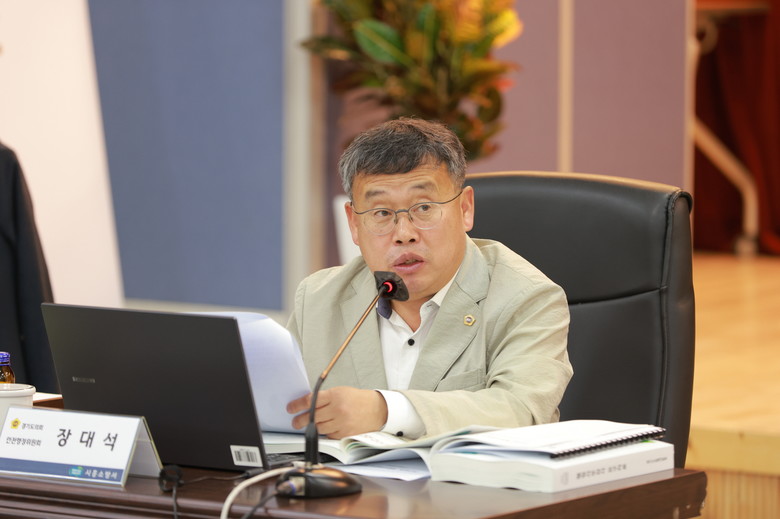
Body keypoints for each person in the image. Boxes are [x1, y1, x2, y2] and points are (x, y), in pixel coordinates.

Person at [286, 118, 572, 440]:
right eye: (381, 213)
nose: (403, 234)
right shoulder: (317, 299)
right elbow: (280, 415)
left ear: (465, 209)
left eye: (424, 207)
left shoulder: (528, 299)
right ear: (354, 224)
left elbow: (522, 411)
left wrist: (386, 410)